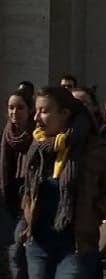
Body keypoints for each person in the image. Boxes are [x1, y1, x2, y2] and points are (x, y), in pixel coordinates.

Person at [22, 86, 106, 279]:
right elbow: (28, 188)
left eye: (44, 111)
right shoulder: (37, 147)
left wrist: (94, 213)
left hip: (76, 247)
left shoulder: (95, 149)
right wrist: (27, 214)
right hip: (39, 245)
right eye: (36, 111)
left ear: (65, 114)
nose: (36, 118)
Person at [1, 89, 35, 279]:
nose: (14, 112)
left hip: (29, 200)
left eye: (20, 107)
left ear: (29, 110)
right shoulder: (8, 133)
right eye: (11, 108)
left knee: (16, 251)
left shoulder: (37, 135)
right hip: (10, 200)